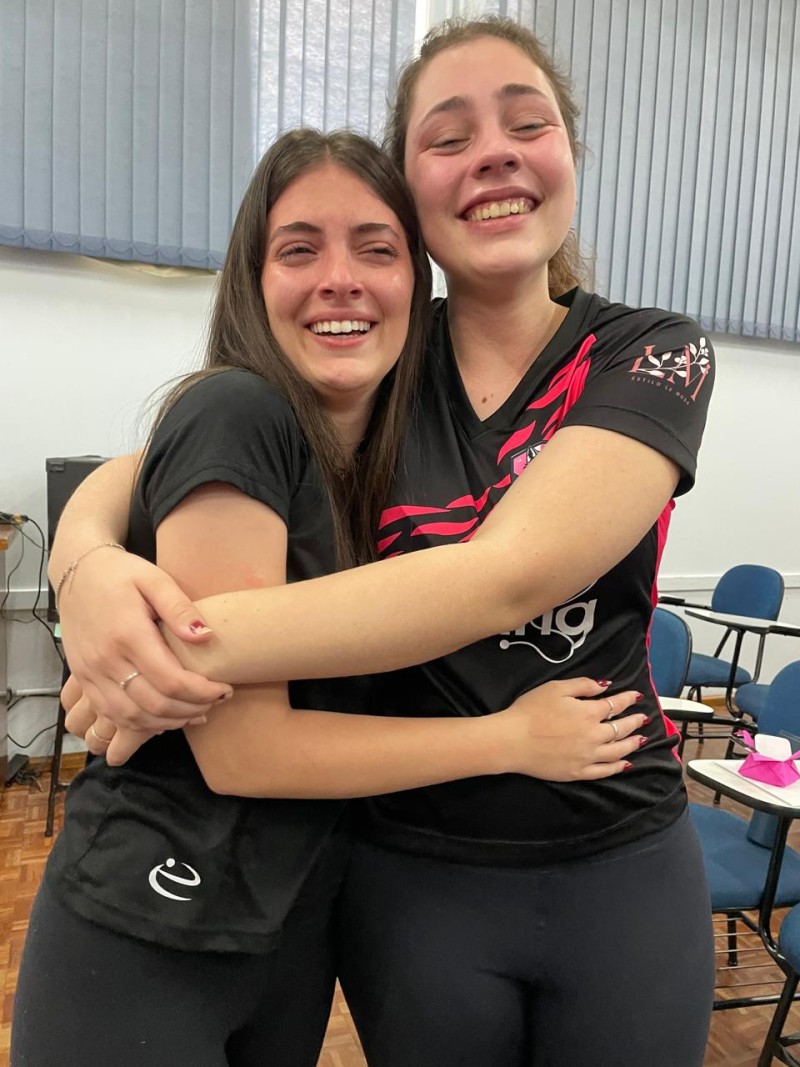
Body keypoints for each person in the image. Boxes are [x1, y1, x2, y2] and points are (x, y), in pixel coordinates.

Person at [47, 15, 716, 1067]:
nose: (492, 154)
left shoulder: (650, 353)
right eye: (448, 137)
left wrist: (158, 643)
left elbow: (505, 576)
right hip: (408, 870)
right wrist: (84, 562)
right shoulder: (385, 359)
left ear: (569, 151)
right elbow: (175, 449)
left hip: (618, 848)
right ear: (416, 194)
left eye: (525, 123)